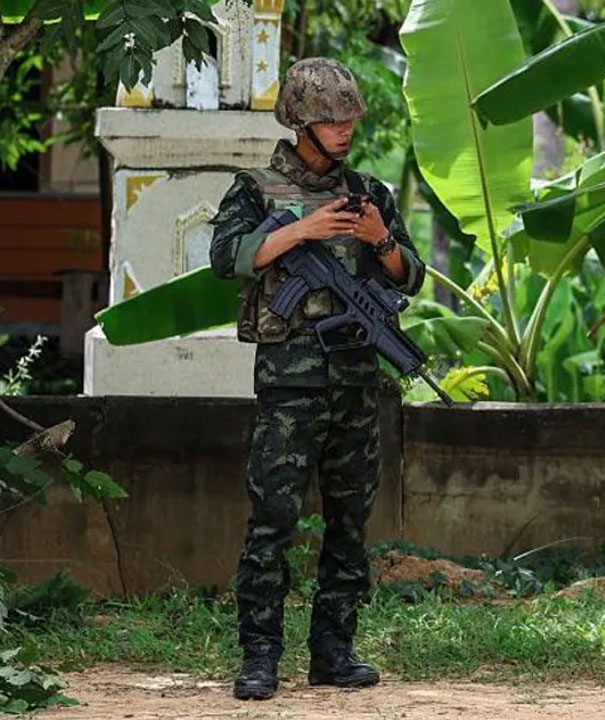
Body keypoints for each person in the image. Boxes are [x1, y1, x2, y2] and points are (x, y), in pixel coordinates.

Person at [208, 57, 426, 701]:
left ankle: (334, 650)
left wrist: (382, 240)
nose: (344, 130)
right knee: (273, 517)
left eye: (350, 118)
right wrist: (301, 231)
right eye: (332, 119)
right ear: (300, 121)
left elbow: (408, 276)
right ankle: (260, 656)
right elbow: (227, 259)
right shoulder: (255, 188)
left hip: (357, 384)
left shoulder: (371, 195)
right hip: (290, 383)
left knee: (349, 520)